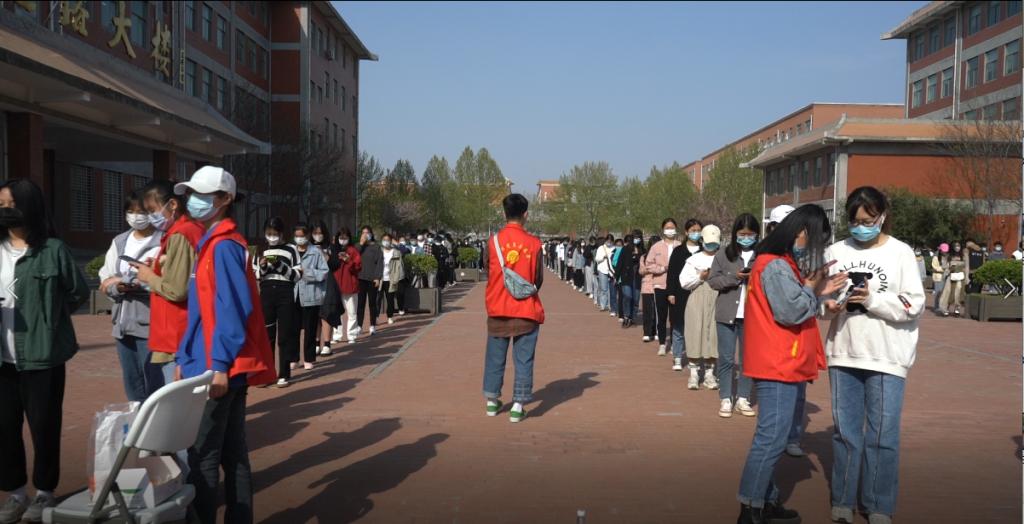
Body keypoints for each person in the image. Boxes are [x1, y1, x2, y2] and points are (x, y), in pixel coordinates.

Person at [170, 167, 276, 524]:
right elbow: (202, 312)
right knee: (232, 452)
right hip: (216, 362)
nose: (193, 201)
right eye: (192, 194)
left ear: (225, 200)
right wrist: (185, 355)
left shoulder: (224, 246)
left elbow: (232, 310)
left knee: (204, 455)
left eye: (203, 194)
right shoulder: (213, 244)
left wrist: (218, 365)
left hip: (218, 367)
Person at [736, 204, 848, 524]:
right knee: (771, 437)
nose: (813, 248)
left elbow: (793, 303)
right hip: (778, 361)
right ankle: (751, 507)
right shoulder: (775, 265)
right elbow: (790, 311)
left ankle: (765, 499)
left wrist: (818, 290)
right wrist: (812, 288)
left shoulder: (778, 262)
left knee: (773, 435)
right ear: (801, 232)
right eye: (814, 239)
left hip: (781, 359)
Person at [822, 187, 925, 524]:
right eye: (854, 221)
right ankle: (843, 499)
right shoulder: (835, 251)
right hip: (843, 353)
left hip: (887, 356)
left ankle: (878, 504)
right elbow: (820, 301)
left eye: (868, 221)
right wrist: (829, 305)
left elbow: (913, 305)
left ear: (882, 217)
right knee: (845, 433)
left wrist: (871, 299)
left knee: (883, 435)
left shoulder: (901, 253)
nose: (861, 227)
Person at [0, 179, 89, 523]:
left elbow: (78, 292)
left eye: (10, 204)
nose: (4, 210)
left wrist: (50, 319)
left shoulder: (53, 250)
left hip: (42, 356)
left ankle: (44, 491)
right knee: (5, 428)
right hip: (3, 359)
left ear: (29, 207)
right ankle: (15, 493)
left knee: (44, 426)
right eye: (0, 204)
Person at [132, 180, 205, 386]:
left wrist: (149, 276)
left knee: (177, 395)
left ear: (172, 204)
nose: (151, 217)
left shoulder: (182, 233)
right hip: (179, 330)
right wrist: (158, 267)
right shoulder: (188, 230)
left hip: (176, 332)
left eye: (152, 210)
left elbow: (177, 289)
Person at [483, 194, 545, 423]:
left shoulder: (493, 242)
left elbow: (488, 271)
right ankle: (518, 406)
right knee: (524, 359)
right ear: (525, 214)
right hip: (526, 310)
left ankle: (492, 401)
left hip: (498, 307)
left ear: (504, 213)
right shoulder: (534, 243)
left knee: (494, 356)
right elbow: (537, 279)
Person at [98, 190, 164, 402]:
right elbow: (106, 278)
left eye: (141, 211)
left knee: (155, 381)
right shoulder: (120, 241)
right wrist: (117, 287)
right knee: (132, 381)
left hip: (151, 323)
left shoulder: (164, 240)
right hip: (122, 323)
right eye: (131, 211)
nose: (136, 216)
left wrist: (136, 282)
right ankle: (137, 418)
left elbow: (167, 282)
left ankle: (156, 420)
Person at [708, 214, 759, 418]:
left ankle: (743, 398)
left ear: (756, 234)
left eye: (750, 234)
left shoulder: (762, 255)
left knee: (748, 359)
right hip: (726, 314)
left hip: (752, 316)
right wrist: (734, 278)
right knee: (727, 358)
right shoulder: (723, 254)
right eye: (742, 234)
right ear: (735, 234)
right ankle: (726, 398)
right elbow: (713, 281)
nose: (746, 238)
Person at [253, 217, 302, 387]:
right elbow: (255, 274)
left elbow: (297, 275)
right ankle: (267, 373)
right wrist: (263, 266)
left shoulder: (291, 249)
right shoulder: (261, 249)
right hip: (267, 291)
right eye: (269, 233)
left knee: (285, 334)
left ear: (281, 233)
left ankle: (284, 373)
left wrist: (280, 265)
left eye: (275, 234)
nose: (272, 237)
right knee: (268, 335)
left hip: (285, 291)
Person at [680, 224, 721, 390]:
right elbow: (684, 282)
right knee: (694, 333)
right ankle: (694, 373)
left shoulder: (723, 258)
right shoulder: (694, 259)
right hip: (697, 297)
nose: (711, 246)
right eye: (708, 242)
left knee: (713, 335)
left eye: (714, 243)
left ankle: (710, 374)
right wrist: (700, 277)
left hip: (718, 298)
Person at [664, 219, 703, 364]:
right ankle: (678, 357)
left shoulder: (704, 251)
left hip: (699, 293)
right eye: (693, 231)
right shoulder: (679, 251)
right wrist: (671, 293)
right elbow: (672, 274)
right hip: (680, 294)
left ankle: (695, 358)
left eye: (698, 231)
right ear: (686, 232)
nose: (696, 233)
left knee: (697, 327)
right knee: (678, 326)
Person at [293, 223, 329, 368]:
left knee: (310, 328)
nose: (299, 239)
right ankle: (294, 358)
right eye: (297, 236)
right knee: (293, 328)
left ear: (307, 236)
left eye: (302, 236)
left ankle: (309, 358)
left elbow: (324, 272)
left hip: (311, 295)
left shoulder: (316, 252)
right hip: (294, 294)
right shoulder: (291, 251)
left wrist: (306, 272)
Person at [645, 219, 682, 355]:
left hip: (677, 287)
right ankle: (662, 344)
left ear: (676, 229)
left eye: (672, 227)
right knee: (661, 316)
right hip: (660, 285)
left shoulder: (680, 246)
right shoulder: (656, 247)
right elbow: (649, 264)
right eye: (667, 227)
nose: (670, 230)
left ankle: (674, 343)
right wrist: (662, 269)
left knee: (674, 317)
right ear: (663, 229)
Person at [329, 228, 362, 345]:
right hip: (336, 286)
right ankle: (337, 335)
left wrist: (349, 260)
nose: (343, 240)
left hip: (350, 286)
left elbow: (358, 267)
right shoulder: (334, 250)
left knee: (352, 312)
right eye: (341, 238)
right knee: (336, 312)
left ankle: (351, 335)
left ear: (349, 238)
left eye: (345, 238)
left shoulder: (353, 251)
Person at [310, 220, 337, 355]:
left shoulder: (330, 247)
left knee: (326, 313)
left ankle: (327, 343)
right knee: (314, 315)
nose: (318, 235)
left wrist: (325, 255)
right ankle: (316, 343)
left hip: (327, 284)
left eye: (320, 233)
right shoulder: (308, 247)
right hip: (312, 284)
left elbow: (335, 265)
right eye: (315, 233)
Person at [357, 226, 383, 335]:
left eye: (367, 232)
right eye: (363, 233)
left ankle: (372, 325)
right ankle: (359, 325)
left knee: (372, 303)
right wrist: (361, 244)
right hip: (360, 278)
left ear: (371, 234)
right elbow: (354, 256)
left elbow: (380, 263)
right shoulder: (358, 246)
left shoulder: (376, 247)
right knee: (360, 303)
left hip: (372, 279)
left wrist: (377, 277)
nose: (365, 235)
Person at [616, 231, 643, 328]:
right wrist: (616, 276)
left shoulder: (642, 250)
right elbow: (620, 263)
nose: (637, 239)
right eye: (635, 237)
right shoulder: (626, 249)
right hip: (626, 276)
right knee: (627, 296)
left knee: (636, 299)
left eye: (639, 237)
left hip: (637, 277)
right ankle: (626, 316)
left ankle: (633, 318)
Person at [379, 233, 405, 325]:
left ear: (391, 241)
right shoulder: (379, 251)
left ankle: (389, 316)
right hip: (380, 278)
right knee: (377, 299)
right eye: (384, 240)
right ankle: (376, 316)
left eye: (388, 240)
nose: (386, 242)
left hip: (391, 279)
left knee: (390, 299)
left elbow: (400, 266)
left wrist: (399, 278)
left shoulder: (396, 252)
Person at [937, 241, 967, 317]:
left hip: (960, 277)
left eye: (958, 245)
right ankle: (945, 308)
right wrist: (949, 268)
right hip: (951, 276)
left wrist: (967, 277)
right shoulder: (949, 256)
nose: (957, 247)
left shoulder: (963, 256)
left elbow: (966, 267)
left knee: (958, 292)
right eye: (955, 246)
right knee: (948, 292)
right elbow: (944, 266)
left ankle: (957, 309)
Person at [640, 235, 660, 342]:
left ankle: (657, 331)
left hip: (659, 285)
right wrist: (652, 269)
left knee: (658, 311)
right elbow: (641, 271)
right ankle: (647, 332)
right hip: (647, 286)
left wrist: (653, 268)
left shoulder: (662, 257)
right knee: (647, 310)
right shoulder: (643, 257)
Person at [594, 234, 616, 312]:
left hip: (612, 271)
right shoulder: (601, 248)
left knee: (611, 289)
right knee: (603, 288)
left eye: (611, 240)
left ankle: (610, 305)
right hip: (602, 269)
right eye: (608, 240)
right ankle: (603, 305)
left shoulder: (614, 248)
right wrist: (603, 257)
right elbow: (596, 259)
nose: (609, 242)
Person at [930, 243, 949, 312]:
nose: (945, 252)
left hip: (945, 276)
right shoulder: (936, 257)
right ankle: (936, 307)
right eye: (944, 251)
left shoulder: (947, 257)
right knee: (938, 292)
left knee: (944, 293)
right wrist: (942, 269)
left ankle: (942, 306)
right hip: (938, 277)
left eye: (946, 251)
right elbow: (934, 267)